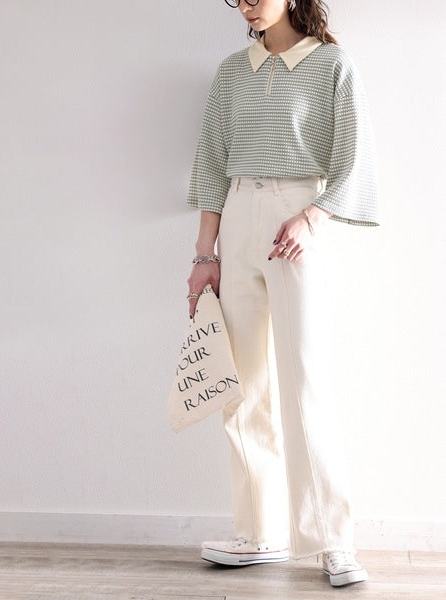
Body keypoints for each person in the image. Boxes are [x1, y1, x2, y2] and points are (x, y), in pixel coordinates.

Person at [184, 0, 381, 589]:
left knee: (304, 382)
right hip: (238, 216)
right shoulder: (231, 71)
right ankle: (258, 531)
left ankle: (332, 542)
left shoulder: (331, 65)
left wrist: (312, 216)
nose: (246, 4)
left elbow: (354, 158)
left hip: (297, 220)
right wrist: (204, 255)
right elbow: (211, 163)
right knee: (242, 387)